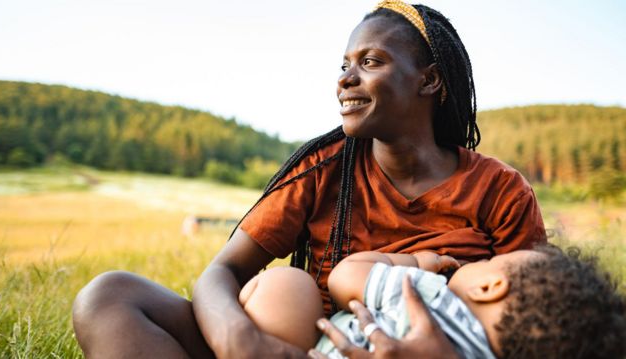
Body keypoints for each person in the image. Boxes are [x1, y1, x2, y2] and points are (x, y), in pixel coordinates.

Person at [71, 1, 547, 357]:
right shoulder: (324, 167)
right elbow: (222, 272)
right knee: (110, 297)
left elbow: (545, 315)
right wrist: (244, 340)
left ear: (430, 81)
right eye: (344, 65)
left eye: (371, 62)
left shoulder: (498, 190)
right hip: (306, 346)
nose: (345, 78)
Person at [240, 245, 626, 359]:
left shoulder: (431, 297)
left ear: (490, 287)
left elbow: (344, 278)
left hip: (306, 349)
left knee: (285, 286)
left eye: (489, 262)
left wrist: (415, 262)